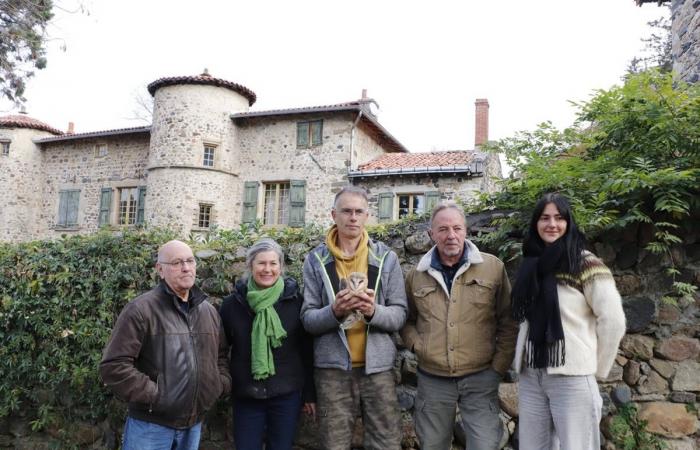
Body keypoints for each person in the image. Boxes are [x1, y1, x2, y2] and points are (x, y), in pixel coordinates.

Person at [511, 193, 626, 450]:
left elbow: (613, 320)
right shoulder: (530, 264)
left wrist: (595, 369)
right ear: (536, 224)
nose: (552, 224)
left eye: (559, 218)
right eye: (545, 218)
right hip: (532, 373)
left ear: (568, 223)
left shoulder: (585, 263)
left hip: (572, 375)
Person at [401, 201, 518, 450]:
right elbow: (407, 319)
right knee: (432, 444)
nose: (450, 235)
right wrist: (417, 345)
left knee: (485, 444)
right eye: (442, 229)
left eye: (456, 228)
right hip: (433, 380)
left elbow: (508, 322)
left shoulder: (492, 268)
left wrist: (498, 367)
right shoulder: (416, 275)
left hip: (480, 377)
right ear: (432, 234)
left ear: (466, 230)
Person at [301, 185, 407, 450]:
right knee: (333, 443)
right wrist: (334, 311)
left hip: (378, 370)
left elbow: (399, 315)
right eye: (346, 211)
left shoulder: (386, 258)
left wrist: (373, 311)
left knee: (386, 443)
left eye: (359, 211)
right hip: (332, 372)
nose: (353, 217)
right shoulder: (315, 260)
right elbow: (308, 320)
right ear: (333, 215)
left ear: (367, 216)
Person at [99, 240, 230, 450]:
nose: (186, 268)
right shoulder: (140, 310)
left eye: (190, 261)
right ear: (160, 270)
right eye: (177, 262)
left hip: (193, 424)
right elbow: (114, 366)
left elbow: (221, 356)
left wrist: (219, 384)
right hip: (151, 426)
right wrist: (157, 395)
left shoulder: (209, 311)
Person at [219, 238, 315, 450]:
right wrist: (226, 382)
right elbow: (221, 350)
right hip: (246, 395)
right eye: (261, 263)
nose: (267, 269)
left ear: (281, 267)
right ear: (250, 265)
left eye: (273, 263)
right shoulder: (232, 305)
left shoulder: (295, 302)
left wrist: (309, 394)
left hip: (286, 395)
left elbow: (306, 352)